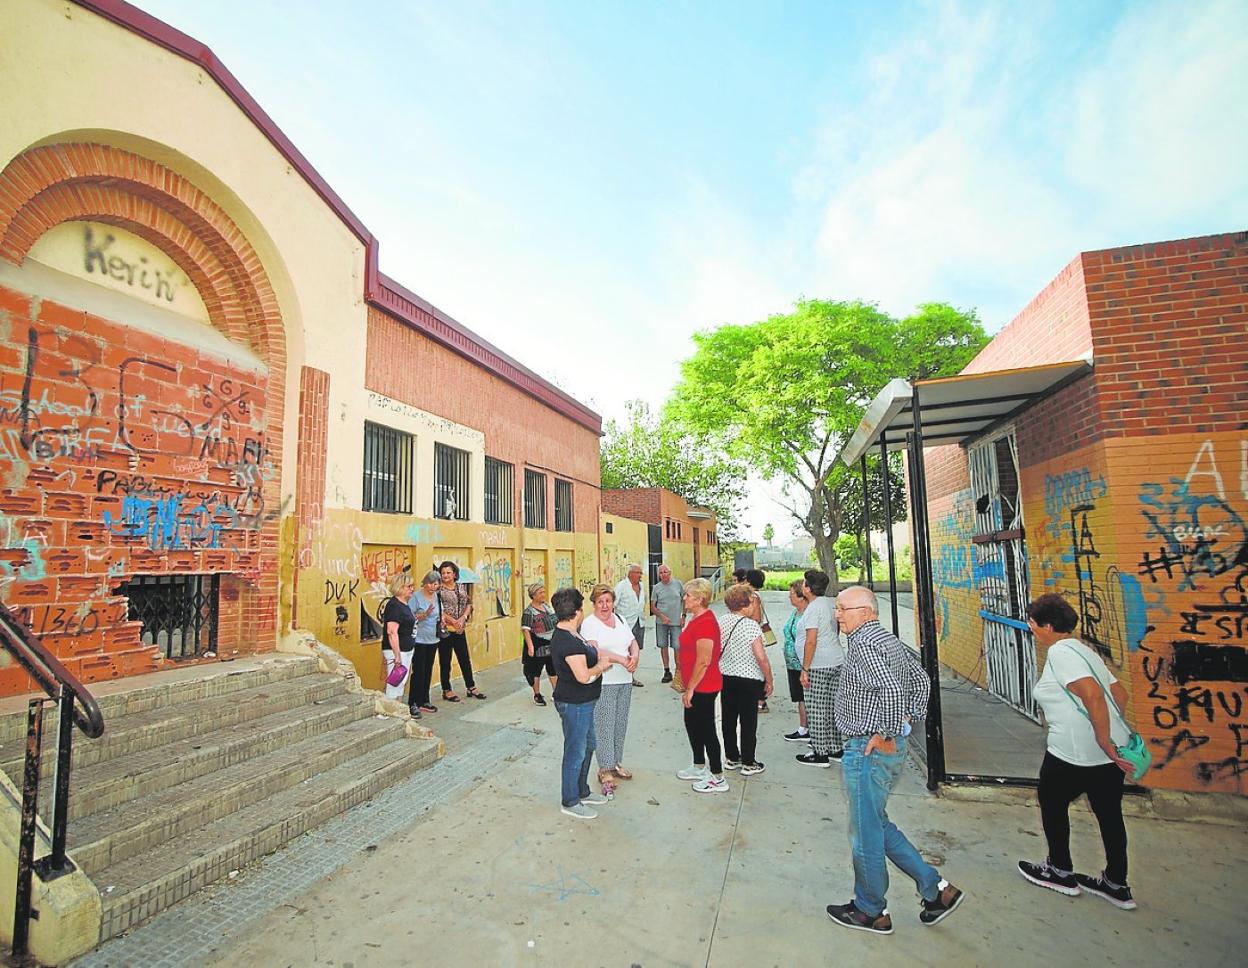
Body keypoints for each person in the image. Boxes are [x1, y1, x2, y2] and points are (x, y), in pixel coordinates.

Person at [826, 586, 964, 935]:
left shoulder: (865, 644)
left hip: (869, 749)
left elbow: (890, 688)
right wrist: (906, 720)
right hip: (880, 746)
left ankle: (870, 910)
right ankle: (937, 891)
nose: (837, 614)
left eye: (844, 608)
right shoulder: (884, 639)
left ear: (867, 611)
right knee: (877, 825)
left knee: (866, 836)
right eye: (837, 608)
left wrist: (887, 732)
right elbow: (922, 681)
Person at [1017, 593, 1137, 909]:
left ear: (1046, 625)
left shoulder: (1060, 653)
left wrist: (1101, 739)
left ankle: (1060, 870)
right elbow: (1119, 695)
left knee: (1052, 802)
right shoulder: (1086, 651)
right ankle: (1116, 882)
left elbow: (1094, 696)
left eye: (1032, 623)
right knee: (1110, 814)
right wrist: (1109, 739)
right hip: (1104, 758)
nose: (1030, 628)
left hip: (1072, 752)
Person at [549, 586, 615, 820]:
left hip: (584, 702)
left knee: (588, 746)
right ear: (578, 611)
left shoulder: (573, 633)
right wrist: (601, 665)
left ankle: (582, 791)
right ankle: (570, 800)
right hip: (575, 704)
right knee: (575, 752)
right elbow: (583, 676)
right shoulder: (567, 640)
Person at [581, 584, 640, 785]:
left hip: (625, 680)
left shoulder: (620, 618)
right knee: (605, 725)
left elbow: (632, 641)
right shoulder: (590, 624)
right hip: (605, 682)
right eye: (600, 602)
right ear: (594, 604)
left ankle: (616, 762)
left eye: (608, 601)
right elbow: (595, 652)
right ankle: (604, 767)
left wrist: (635, 656)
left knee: (620, 723)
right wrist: (622, 660)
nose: (605, 606)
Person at [676, 578, 728, 793]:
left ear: (699, 599)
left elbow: (704, 660)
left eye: (688, 595)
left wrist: (691, 689)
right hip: (695, 683)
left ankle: (717, 776)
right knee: (692, 723)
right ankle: (699, 765)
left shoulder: (706, 622)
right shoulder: (695, 618)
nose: (684, 598)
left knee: (706, 729)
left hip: (704, 685)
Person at [717, 584, 774, 776]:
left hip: (726, 675)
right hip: (749, 678)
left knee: (729, 718)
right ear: (746, 604)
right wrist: (769, 679)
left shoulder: (722, 620)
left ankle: (732, 757)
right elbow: (761, 657)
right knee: (748, 721)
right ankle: (749, 761)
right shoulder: (751, 626)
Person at [795, 569, 845, 767]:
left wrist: (805, 668)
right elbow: (837, 628)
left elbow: (811, 640)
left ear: (807, 589)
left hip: (818, 664)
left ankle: (820, 752)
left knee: (816, 707)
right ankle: (835, 747)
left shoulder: (813, 608)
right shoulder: (829, 603)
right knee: (831, 706)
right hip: (835, 660)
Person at [437, 560, 486, 702]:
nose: (445, 575)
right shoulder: (439, 590)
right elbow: (438, 609)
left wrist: (463, 618)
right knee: (445, 660)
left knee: (464, 658)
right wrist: (453, 621)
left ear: (454, 574)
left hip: (460, 629)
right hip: (446, 629)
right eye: (443, 573)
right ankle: (446, 689)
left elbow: (469, 604)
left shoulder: (461, 587)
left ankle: (471, 686)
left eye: (448, 572)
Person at [382, 572, 419, 718]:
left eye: (412, 586)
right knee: (395, 683)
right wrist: (397, 655)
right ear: (400, 588)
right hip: (398, 651)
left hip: (406, 649)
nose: (412, 589)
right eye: (409, 586)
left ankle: (397, 711)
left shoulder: (403, 604)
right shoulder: (394, 606)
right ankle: (390, 713)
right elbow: (392, 632)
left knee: (401, 682)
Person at [407, 570, 441, 715]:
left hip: (433, 639)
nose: (435, 586)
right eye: (433, 583)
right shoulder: (416, 597)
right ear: (426, 583)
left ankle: (424, 700)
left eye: (437, 584)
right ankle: (413, 702)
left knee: (428, 670)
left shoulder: (437, 597)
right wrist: (425, 614)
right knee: (418, 671)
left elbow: (440, 613)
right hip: (419, 640)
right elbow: (409, 617)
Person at [782, 578, 810, 743]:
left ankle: (807, 728)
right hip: (792, 662)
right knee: (799, 697)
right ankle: (803, 727)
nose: (789, 596)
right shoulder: (796, 612)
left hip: (802, 663)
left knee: (805, 696)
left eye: (792, 593)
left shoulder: (808, 614)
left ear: (801, 596)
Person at [521, 582, 559, 705]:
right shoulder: (529, 612)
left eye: (543, 592)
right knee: (535, 670)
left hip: (551, 642)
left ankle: (557, 692)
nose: (543, 594)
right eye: (540, 593)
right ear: (533, 595)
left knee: (553, 668)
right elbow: (526, 630)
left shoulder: (547, 606)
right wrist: (530, 647)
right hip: (538, 643)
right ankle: (537, 694)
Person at [613, 563, 647, 687]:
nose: (640, 575)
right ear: (630, 573)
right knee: (624, 650)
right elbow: (613, 605)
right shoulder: (621, 586)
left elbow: (643, 601)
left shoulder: (642, 586)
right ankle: (623, 677)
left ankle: (631, 676)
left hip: (639, 621)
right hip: (625, 624)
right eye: (637, 573)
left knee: (636, 651)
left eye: (640, 573)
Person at [651, 564, 685, 683]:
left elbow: (684, 601)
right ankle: (666, 671)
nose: (663, 574)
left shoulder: (678, 584)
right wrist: (661, 616)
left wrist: (683, 616)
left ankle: (679, 672)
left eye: (665, 572)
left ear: (670, 573)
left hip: (676, 621)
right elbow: (652, 607)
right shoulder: (656, 588)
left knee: (677, 646)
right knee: (663, 645)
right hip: (661, 622)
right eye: (661, 572)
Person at [744, 568, 771, 713]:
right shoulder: (757, 594)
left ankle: (760, 700)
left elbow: (756, 618)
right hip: (756, 635)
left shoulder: (753, 596)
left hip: (752, 636)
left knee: (756, 667)